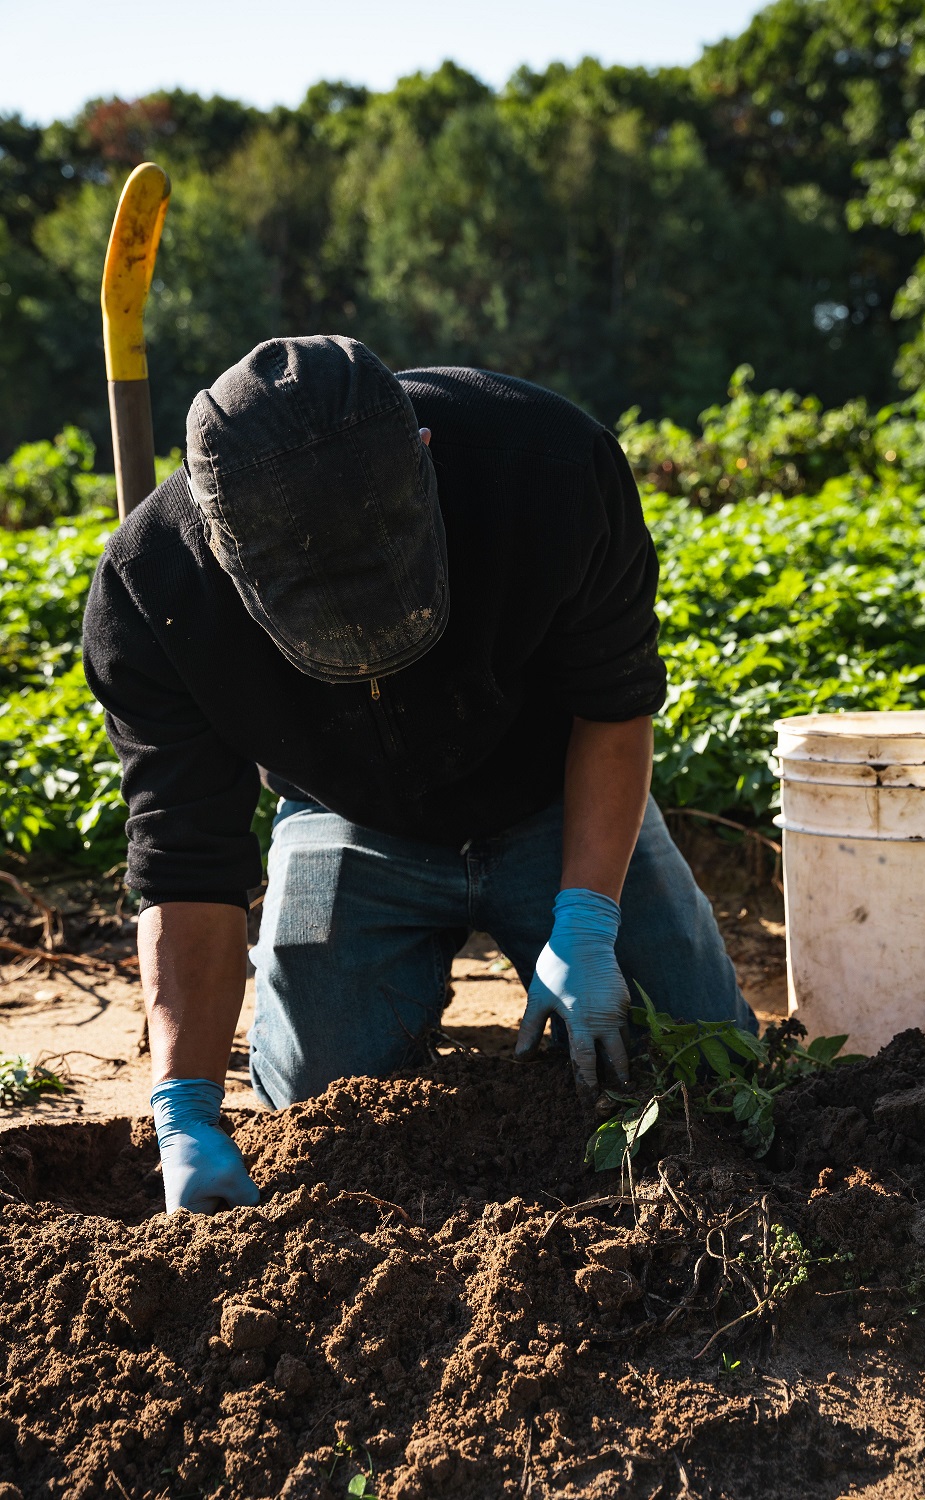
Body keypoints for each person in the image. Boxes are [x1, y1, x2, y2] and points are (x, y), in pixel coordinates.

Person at [82, 336, 753, 1215]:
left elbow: (613, 705)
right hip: (347, 820)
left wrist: (588, 916)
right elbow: (184, 860)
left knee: (716, 1073)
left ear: (423, 455)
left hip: (555, 795)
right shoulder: (153, 592)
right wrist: (185, 1108)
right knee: (313, 1121)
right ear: (220, 534)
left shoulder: (548, 466)